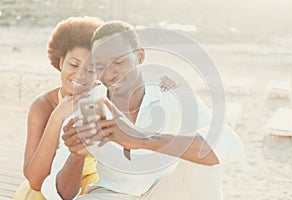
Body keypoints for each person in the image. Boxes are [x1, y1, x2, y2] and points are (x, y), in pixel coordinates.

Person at [42, 21, 243, 200]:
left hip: (165, 192)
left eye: (119, 62)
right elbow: (61, 194)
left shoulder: (171, 93)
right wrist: (76, 156)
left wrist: (143, 139)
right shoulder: (88, 106)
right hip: (111, 195)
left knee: (203, 160)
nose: (110, 74)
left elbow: (229, 143)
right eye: (101, 66)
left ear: (139, 56)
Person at [13, 17, 176, 200]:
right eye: (74, 65)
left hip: (93, 188)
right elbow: (35, 181)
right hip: (46, 192)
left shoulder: (100, 99)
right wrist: (57, 117)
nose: (80, 75)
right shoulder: (44, 104)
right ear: (61, 64)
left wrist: (163, 85)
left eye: (91, 69)